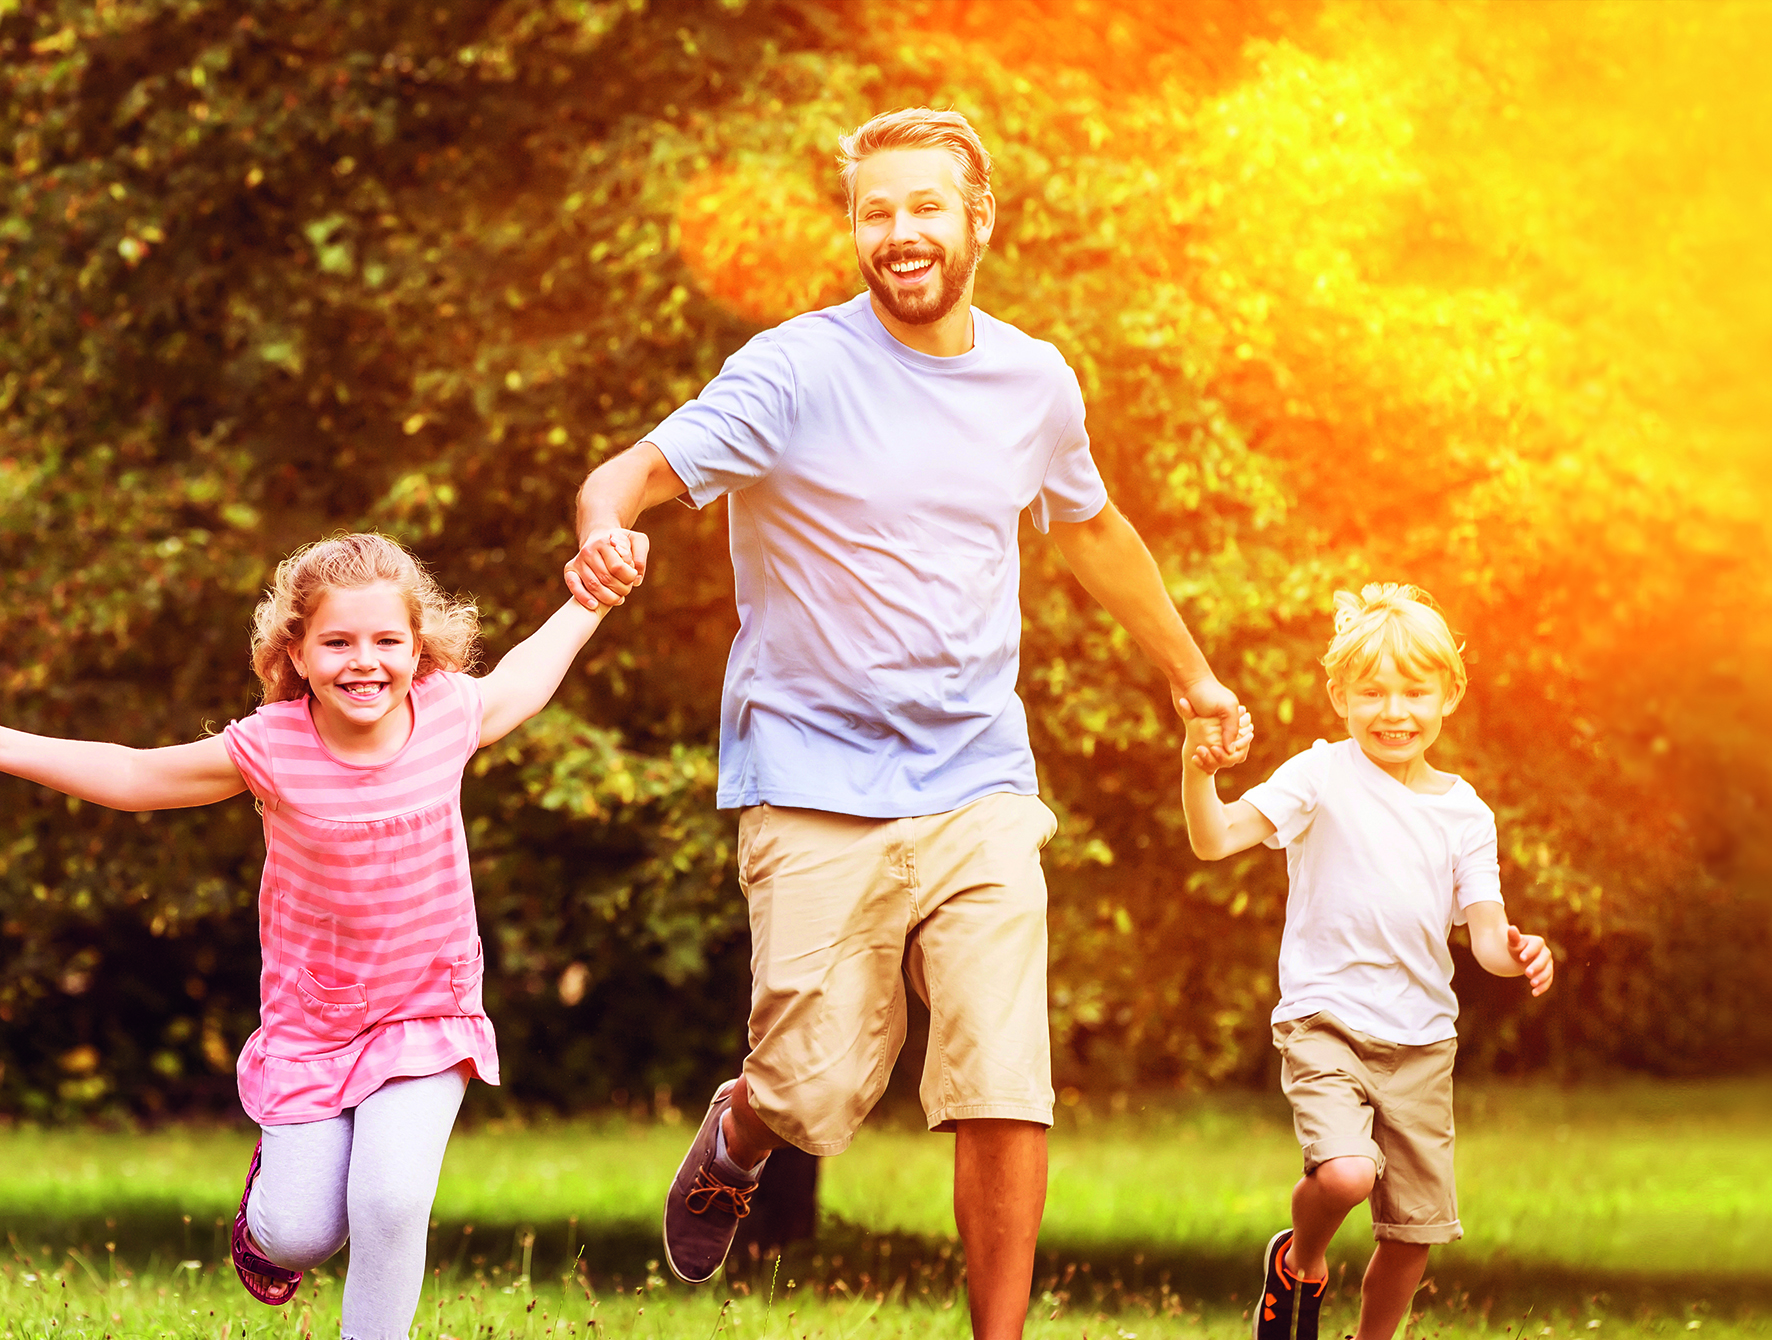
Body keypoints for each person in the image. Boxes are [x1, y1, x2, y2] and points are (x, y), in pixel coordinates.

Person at [563, 107, 1247, 1339]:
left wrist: (1190, 675)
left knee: (1002, 1075)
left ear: (978, 220)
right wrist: (604, 527)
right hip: (812, 776)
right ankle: (742, 1128)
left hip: (977, 774)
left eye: (925, 206)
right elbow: (632, 474)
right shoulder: (791, 370)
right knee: (813, 1083)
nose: (899, 233)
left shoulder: (1033, 380)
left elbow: (1089, 527)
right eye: (876, 211)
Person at [0, 532, 609, 1340]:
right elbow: (137, 776)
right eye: (339, 642)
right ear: (298, 650)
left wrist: (593, 596)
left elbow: (528, 674)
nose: (367, 662)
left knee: (391, 1201)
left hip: (427, 1008)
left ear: (418, 646)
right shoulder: (272, 746)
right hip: (313, 1026)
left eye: (388, 640)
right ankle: (268, 1215)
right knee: (299, 1234)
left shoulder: (449, 715)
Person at [1178, 584, 1554, 1340]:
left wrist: (1519, 955)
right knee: (1347, 1174)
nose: (1394, 711)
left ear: (1449, 696)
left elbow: (1484, 935)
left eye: (1415, 692)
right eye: (1373, 692)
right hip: (1326, 1023)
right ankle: (1300, 1263)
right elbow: (1214, 838)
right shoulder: (1319, 777)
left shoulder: (1465, 814)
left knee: (1414, 1234)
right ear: (1339, 695)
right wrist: (1197, 770)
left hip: (1422, 1043)